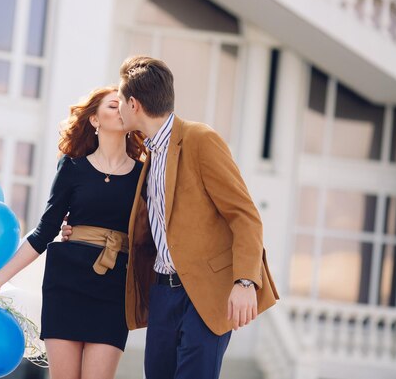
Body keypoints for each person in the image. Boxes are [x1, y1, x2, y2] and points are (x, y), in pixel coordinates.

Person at [63, 56, 279, 379]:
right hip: (163, 294)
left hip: (206, 295)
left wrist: (245, 281)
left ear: (133, 104)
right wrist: (79, 231)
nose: (118, 108)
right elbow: (144, 223)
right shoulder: (148, 156)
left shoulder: (200, 140)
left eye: (120, 101)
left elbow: (245, 215)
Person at [0, 86, 147, 379]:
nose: (120, 110)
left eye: (124, 105)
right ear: (94, 120)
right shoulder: (71, 167)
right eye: (112, 106)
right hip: (66, 284)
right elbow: (45, 231)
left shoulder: (143, 175)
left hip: (114, 287)